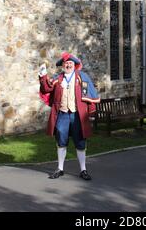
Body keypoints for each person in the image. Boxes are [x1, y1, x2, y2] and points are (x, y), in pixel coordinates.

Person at [38, 52, 100, 180]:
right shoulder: (58, 78)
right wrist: (43, 75)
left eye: (70, 63)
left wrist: (90, 111)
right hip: (62, 114)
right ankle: (60, 169)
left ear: (75, 65)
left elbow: (90, 94)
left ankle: (83, 170)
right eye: (66, 63)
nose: (68, 65)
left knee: (80, 142)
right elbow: (46, 88)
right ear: (63, 65)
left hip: (77, 115)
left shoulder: (82, 77)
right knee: (61, 141)